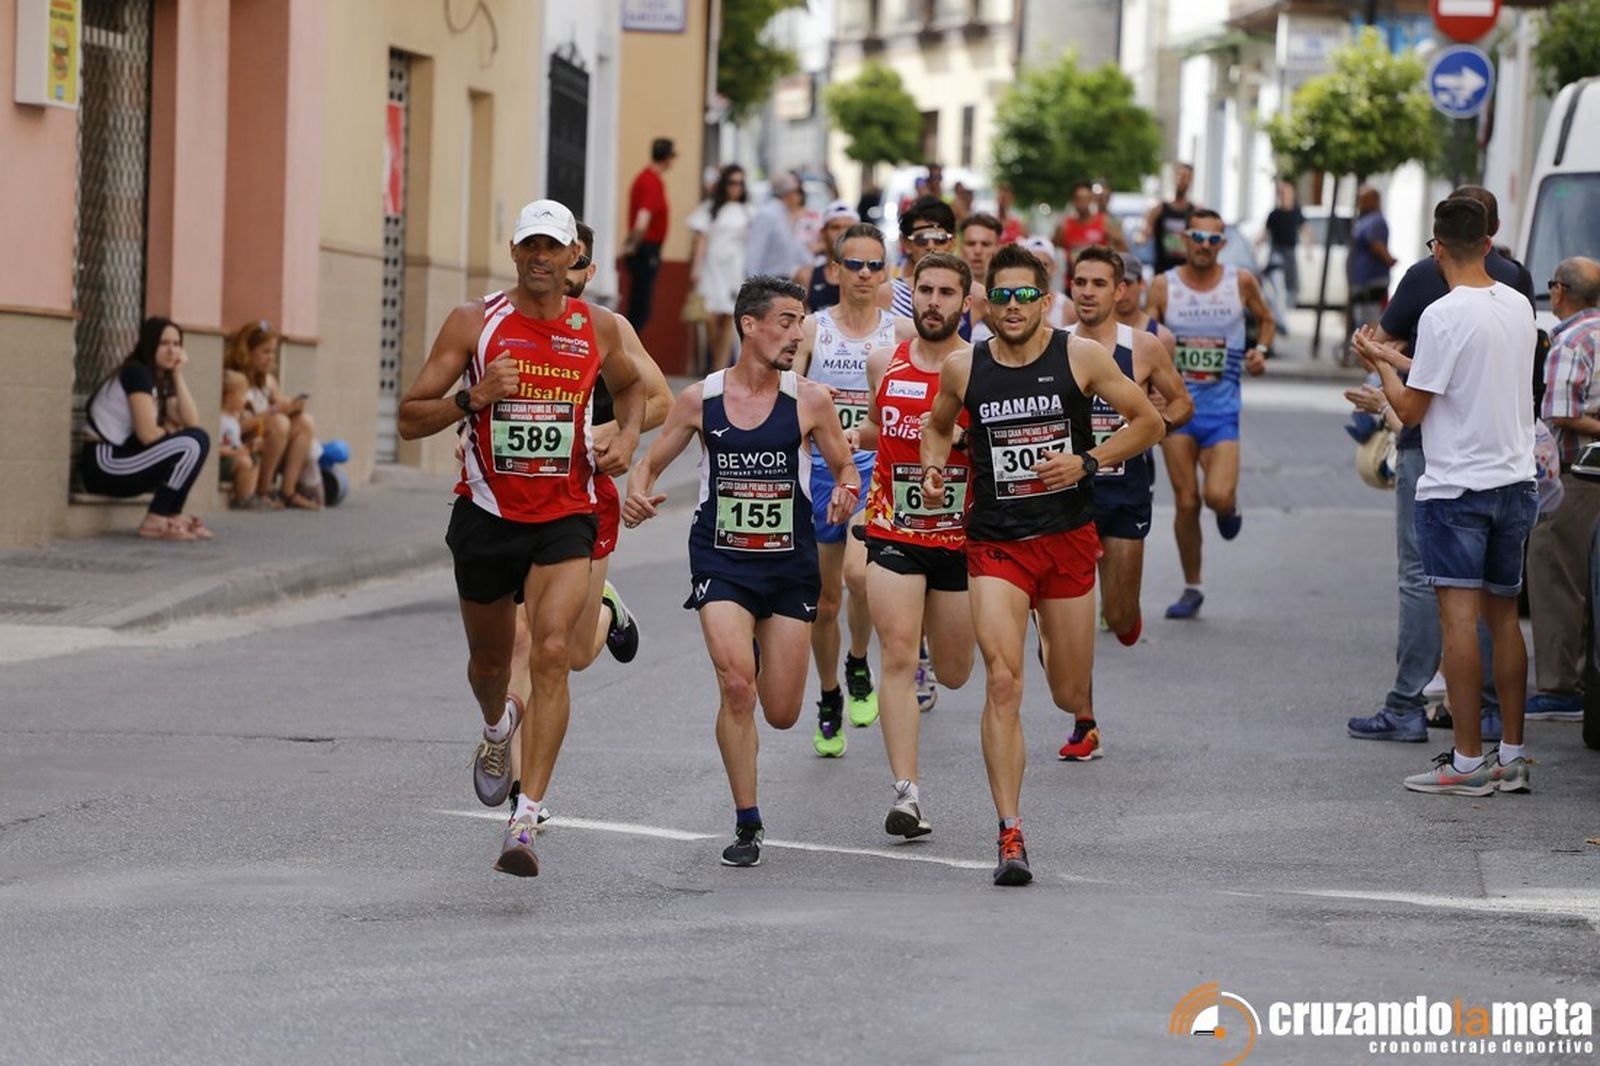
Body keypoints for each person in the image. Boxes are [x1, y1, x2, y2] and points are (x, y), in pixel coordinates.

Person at [397, 199, 645, 877]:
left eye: (553, 247)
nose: (540, 257)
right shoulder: (474, 322)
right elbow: (408, 418)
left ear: (574, 260)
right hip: (485, 517)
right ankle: (495, 727)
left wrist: (624, 437)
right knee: (489, 668)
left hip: (563, 517)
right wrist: (471, 400)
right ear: (513, 252)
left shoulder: (596, 328)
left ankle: (527, 815)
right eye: (529, 245)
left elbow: (634, 392)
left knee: (555, 650)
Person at [921, 242, 1163, 885]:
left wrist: (1088, 461)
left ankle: (1064, 670)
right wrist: (933, 470)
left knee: (1067, 689)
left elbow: (1149, 422)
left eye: (1025, 295)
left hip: (1067, 540)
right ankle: (1009, 833)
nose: (1013, 307)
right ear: (985, 302)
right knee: (1002, 680)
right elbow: (937, 426)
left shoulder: (1080, 356)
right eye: (1000, 296)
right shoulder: (962, 367)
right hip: (996, 544)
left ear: (1045, 300)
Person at [623, 275, 860, 868]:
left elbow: (844, 466)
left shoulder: (811, 400)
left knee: (780, 712)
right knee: (736, 687)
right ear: (748, 325)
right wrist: (637, 493)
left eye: (801, 322)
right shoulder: (699, 399)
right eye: (786, 321)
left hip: (789, 565)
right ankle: (747, 822)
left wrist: (846, 493)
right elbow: (649, 464)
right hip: (721, 558)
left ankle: (757, 650)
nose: (796, 333)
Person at [1352, 196, 1539, 796]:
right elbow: (1461, 371)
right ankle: (1510, 754)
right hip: (1515, 481)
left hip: (1457, 485)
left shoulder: (1439, 314)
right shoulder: (1517, 304)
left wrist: (1380, 367)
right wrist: (1392, 356)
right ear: (1489, 242)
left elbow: (1409, 411)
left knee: (1457, 621)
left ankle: (1464, 762)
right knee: (1504, 620)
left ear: (1436, 248)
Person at [495, 220, 677, 823]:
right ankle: (522, 790)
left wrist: (614, 431)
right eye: (542, 253)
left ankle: (605, 610)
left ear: (586, 269)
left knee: (569, 653)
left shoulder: (606, 328)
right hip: (513, 500)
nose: (559, 272)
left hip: (581, 498)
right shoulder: (502, 324)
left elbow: (660, 401)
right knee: (522, 640)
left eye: (572, 264)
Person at [858, 251, 977, 836]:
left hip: (959, 539)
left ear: (964, 303)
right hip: (892, 529)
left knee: (955, 672)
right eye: (924, 290)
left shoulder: (982, 370)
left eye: (946, 293)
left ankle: (935, 631)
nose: (933, 301)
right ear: (912, 292)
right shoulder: (885, 361)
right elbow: (880, 430)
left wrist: (960, 442)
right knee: (899, 656)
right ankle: (906, 794)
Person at [1060, 248, 1193, 755]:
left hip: (1124, 490)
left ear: (1120, 291)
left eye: (1099, 283)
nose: (1088, 291)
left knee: (1116, 618)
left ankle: (1126, 614)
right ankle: (1084, 723)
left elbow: (1181, 401)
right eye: (1080, 282)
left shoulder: (1143, 347)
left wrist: (1158, 427)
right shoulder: (1055, 344)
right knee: (1070, 616)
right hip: (1065, 493)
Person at [795, 223, 917, 752]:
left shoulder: (900, 334)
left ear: (885, 272)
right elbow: (785, 390)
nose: (865, 275)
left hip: (875, 467)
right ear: (835, 270)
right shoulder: (811, 329)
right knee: (824, 602)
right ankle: (829, 696)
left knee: (859, 577)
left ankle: (859, 661)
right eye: (855, 265)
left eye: (875, 265)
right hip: (822, 468)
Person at [1147, 209, 1275, 619]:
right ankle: (1192, 587)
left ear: (1222, 244)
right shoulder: (1163, 286)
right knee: (1186, 502)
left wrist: (1261, 351)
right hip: (1177, 410)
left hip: (1222, 412)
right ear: (1184, 240)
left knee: (1217, 495)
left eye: (1213, 239)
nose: (1204, 246)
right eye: (1197, 237)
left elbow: (1267, 319)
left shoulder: (1240, 282)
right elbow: (1147, 336)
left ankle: (1228, 509)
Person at [1527, 256, 1600, 722]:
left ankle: (1558, 688)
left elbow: (1560, 412)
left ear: (1559, 292)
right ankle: (1583, 677)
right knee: (1591, 582)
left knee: (1555, 574)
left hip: (1575, 473)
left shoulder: (1569, 340)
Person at [80, 316, 213, 541]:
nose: (172, 351)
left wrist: (178, 376)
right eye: (164, 344)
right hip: (105, 463)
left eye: (177, 344)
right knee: (192, 443)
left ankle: (172, 515)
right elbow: (148, 434)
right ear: (149, 345)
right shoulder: (137, 373)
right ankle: (156, 519)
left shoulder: (160, 379)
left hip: (124, 459)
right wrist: (169, 430)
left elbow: (190, 421)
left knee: (197, 439)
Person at [224, 321, 319, 510]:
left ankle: (288, 491)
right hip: (242, 441)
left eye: (273, 352)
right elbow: (234, 426)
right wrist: (274, 411)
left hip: (269, 441)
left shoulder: (268, 381)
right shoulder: (235, 380)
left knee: (305, 422)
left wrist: (292, 406)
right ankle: (262, 490)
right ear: (247, 352)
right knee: (279, 422)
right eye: (265, 352)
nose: (271, 358)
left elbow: (279, 404)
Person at [687, 164, 754, 372]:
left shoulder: (748, 211)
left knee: (729, 318)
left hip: (735, 268)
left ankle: (720, 368)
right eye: (733, 182)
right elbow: (701, 240)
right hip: (712, 267)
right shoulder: (710, 209)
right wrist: (696, 267)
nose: (737, 187)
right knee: (710, 317)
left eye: (740, 183)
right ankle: (715, 361)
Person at [623, 137, 674, 332]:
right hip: (646, 250)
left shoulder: (645, 179)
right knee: (640, 309)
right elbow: (642, 220)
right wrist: (632, 246)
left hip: (644, 249)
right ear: (668, 158)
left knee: (639, 306)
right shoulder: (651, 182)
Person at [1346, 185, 1397, 363]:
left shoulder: (1375, 221)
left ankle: (1373, 357)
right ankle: (1365, 355)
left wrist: (1389, 260)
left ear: (1375, 200)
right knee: (1363, 318)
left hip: (1371, 280)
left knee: (1370, 320)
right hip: (1362, 279)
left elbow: (1376, 245)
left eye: (1365, 199)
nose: (1361, 203)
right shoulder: (1366, 219)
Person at [746, 171, 812, 280]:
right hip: (768, 282)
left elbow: (795, 249)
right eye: (797, 192)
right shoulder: (768, 214)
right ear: (788, 194)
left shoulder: (784, 214)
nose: (800, 197)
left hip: (782, 282)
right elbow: (755, 255)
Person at [218, 370, 267, 510]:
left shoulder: (234, 418)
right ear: (228, 396)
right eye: (242, 395)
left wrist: (249, 446)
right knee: (244, 462)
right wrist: (234, 452)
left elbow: (235, 442)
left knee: (255, 459)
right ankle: (242, 497)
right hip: (224, 460)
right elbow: (217, 448)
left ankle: (250, 494)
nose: (246, 399)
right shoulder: (219, 419)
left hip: (235, 455)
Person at [801, 200, 860, 312]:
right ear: (823, 232)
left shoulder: (876, 273)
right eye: (835, 227)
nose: (842, 232)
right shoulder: (806, 275)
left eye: (849, 228)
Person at [1262, 179, 1305, 313]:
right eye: (1282, 192)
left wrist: (1309, 248)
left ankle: (1286, 306)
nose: (1284, 195)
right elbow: (1265, 232)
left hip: (1290, 251)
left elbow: (1305, 229)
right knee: (1276, 280)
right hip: (1276, 251)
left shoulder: (1296, 212)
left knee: (1291, 281)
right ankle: (1277, 306)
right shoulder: (1274, 214)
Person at [959, 213, 1002, 346]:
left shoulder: (1012, 294)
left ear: (997, 248)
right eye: (971, 243)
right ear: (960, 247)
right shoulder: (943, 292)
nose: (977, 250)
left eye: (985, 244)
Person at [1146, 163, 1197, 276]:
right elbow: (1145, 235)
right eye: (1179, 175)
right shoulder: (1158, 209)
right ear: (1173, 178)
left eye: (1185, 177)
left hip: (1187, 273)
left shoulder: (1195, 212)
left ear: (1191, 180)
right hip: (1162, 270)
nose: (1181, 180)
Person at [1022, 237, 1076, 330]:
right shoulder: (1011, 301)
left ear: (1054, 268)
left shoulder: (1068, 308)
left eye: (1045, 265)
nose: (1039, 270)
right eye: (1033, 264)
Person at [1058, 180, 1123, 257]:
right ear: (1074, 201)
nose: (1082, 204)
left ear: (1091, 199)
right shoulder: (1065, 225)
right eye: (1079, 199)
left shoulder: (1104, 222)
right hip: (1073, 268)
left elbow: (1122, 247)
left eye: (1085, 199)